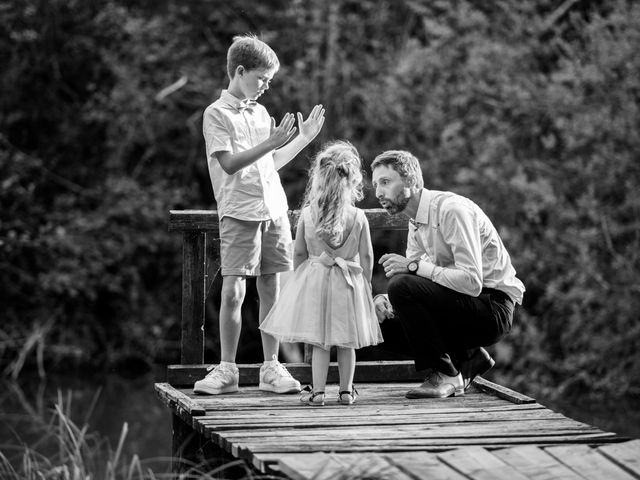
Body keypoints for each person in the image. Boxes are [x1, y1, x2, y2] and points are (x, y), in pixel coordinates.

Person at [193, 34, 325, 395]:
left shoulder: (261, 113)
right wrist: (270, 142)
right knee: (234, 292)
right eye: (262, 78)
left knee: (273, 290)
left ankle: (271, 368)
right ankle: (227, 370)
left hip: (274, 210)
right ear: (239, 71)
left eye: (269, 80)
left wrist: (302, 139)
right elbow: (231, 164)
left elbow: (271, 162)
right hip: (238, 212)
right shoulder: (216, 114)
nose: (267, 86)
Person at [371, 150, 525, 399]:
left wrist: (411, 267)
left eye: (385, 182)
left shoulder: (451, 210)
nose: (378, 192)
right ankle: (469, 357)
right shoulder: (415, 222)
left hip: (492, 307)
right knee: (377, 322)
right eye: (376, 184)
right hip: (460, 304)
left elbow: (472, 283)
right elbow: (419, 284)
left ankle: (448, 374)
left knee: (401, 286)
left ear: (410, 181)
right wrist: (384, 301)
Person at [260, 141, 383, 405]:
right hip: (348, 282)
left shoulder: (308, 213)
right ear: (352, 181)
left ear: (319, 178)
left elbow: (300, 253)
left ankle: (317, 393)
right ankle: (347, 391)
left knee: (319, 343)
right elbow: (368, 257)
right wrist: (366, 283)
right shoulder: (358, 216)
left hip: (316, 281)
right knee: (347, 341)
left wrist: (300, 277)